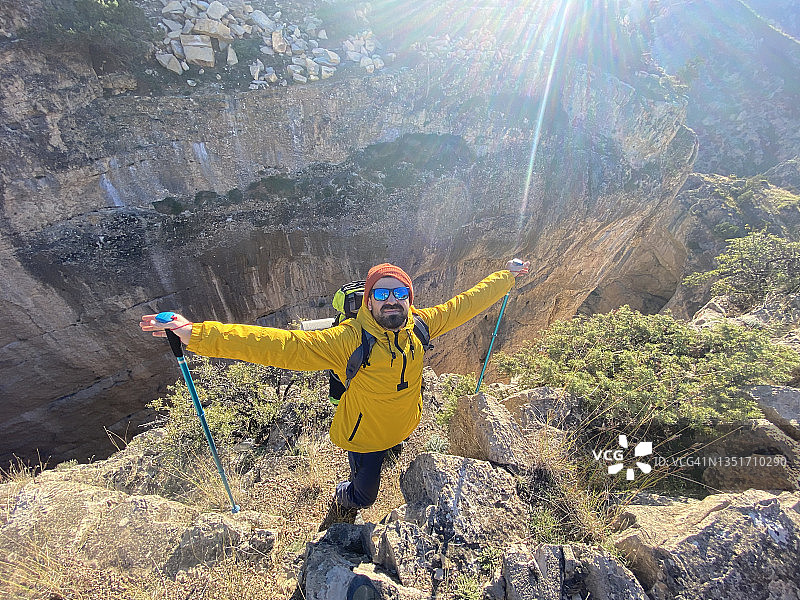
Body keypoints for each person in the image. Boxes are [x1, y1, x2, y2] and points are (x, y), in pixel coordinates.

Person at [140, 258, 530, 529]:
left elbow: (468, 301)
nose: (391, 300)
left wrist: (506, 277)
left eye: (399, 293)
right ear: (369, 301)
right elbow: (278, 345)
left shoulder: (422, 325)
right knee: (366, 495)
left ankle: (373, 468)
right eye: (381, 294)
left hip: (402, 423)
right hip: (364, 436)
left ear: (410, 299)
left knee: (390, 451)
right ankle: (345, 498)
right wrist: (196, 334)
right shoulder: (347, 340)